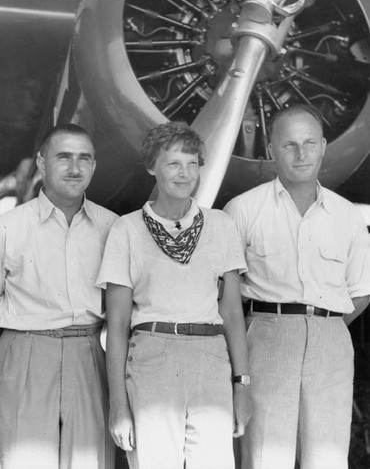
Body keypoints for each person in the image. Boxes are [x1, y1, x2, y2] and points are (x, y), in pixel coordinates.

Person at [97, 121, 251, 469]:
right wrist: (118, 404)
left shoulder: (221, 226)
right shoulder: (127, 229)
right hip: (152, 357)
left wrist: (242, 386)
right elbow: (118, 324)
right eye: (173, 164)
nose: (184, 174)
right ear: (152, 167)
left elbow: (233, 315)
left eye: (192, 164)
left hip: (211, 359)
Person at [224, 104, 370, 469]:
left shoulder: (349, 215)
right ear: (272, 151)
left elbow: (362, 290)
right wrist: (287, 327)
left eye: (309, 143)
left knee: (327, 457)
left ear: (323, 146)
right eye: (289, 145)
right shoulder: (241, 210)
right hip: (267, 336)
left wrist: (321, 327)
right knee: (264, 456)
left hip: (331, 339)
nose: (301, 153)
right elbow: (225, 296)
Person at [0, 124, 117, 469]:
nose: (74, 167)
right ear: (41, 162)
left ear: (94, 166)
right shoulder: (8, 227)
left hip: (89, 353)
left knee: (90, 460)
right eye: (63, 157)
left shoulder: (114, 228)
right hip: (26, 351)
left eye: (84, 158)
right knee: (24, 458)